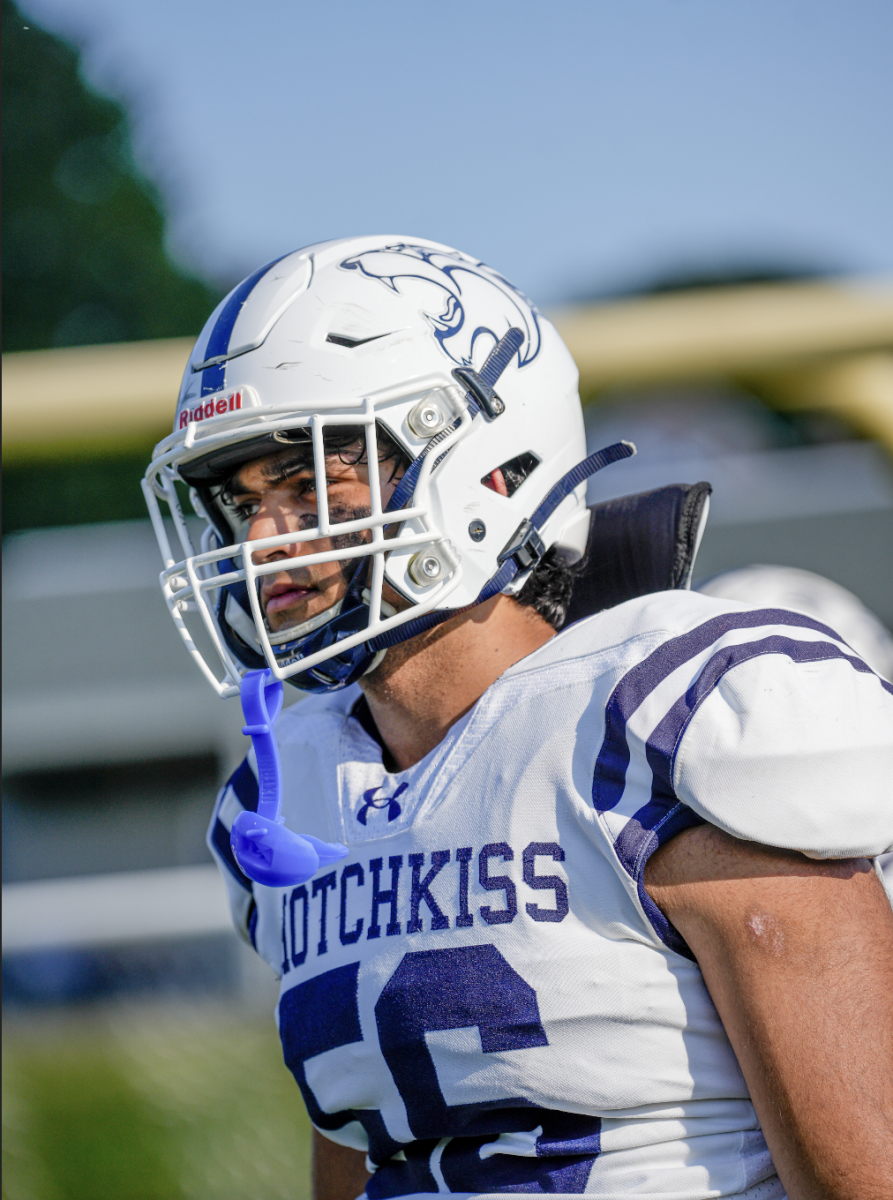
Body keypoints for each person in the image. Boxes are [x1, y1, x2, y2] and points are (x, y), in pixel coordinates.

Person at [144, 236, 893, 1200]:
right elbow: (366, 1145)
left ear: (493, 470)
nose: (261, 541)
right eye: (240, 499)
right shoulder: (292, 793)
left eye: (308, 484)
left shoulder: (660, 722)